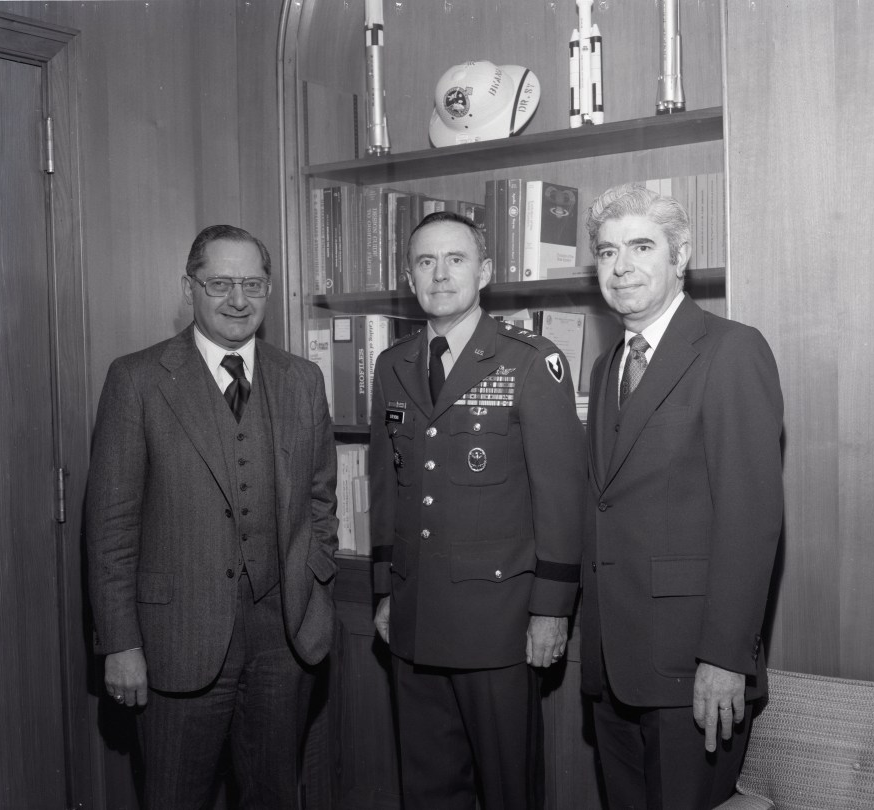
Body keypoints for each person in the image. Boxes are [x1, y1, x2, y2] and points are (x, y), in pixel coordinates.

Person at [86, 224, 338, 809]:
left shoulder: (303, 380)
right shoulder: (137, 379)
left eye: (252, 283)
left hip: (286, 640)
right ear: (189, 287)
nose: (238, 299)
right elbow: (110, 530)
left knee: (274, 796)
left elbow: (321, 499)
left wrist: (315, 585)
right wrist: (121, 642)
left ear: (269, 289)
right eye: (220, 283)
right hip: (176, 641)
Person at [369, 211, 586, 810]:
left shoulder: (529, 361)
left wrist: (552, 611)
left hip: (500, 624)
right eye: (425, 261)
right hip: (414, 618)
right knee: (428, 791)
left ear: (485, 272)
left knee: (508, 791)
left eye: (456, 259)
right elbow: (388, 490)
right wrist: (384, 592)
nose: (440, 275)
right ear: (409, 277)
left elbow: (561, 499)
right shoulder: (392, 367)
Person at [579, 184, 784, 809]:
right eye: (608, 252)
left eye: (642, 247)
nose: (622, 267)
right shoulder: (605, 365)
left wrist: (725, 658)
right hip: (613, 665)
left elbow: (752, 520)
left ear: (681, 255)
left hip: (693, 671)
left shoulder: (731, 349)